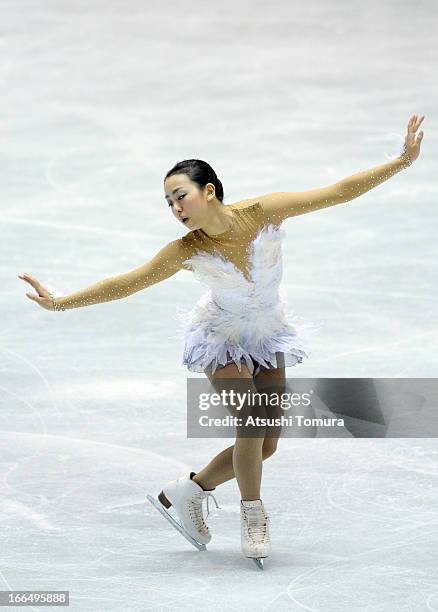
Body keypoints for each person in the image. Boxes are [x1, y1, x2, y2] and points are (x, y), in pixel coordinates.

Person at [18, 115, 424, 565]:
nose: (176, 209)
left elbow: (338, 191)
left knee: (266, 444)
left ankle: (189, 490)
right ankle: (254, 516)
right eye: (169, 202)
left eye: (181, 196)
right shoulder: (185, 250)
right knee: (251, 420)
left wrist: (402, 161)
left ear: (208, 190)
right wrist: (61, 302)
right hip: (221, 335)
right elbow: (128, 282)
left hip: (267, 332)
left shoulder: (263, 212)